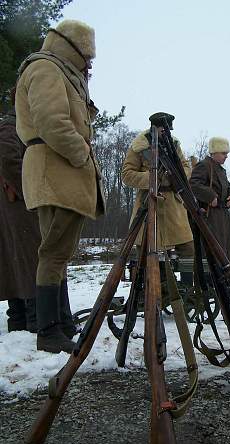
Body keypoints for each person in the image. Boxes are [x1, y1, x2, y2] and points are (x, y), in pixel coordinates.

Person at [15, 20, 105, 353]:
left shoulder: (57, 73)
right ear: (74, 49)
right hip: (57, 168)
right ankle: (49, 331)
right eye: (86, 56)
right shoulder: (46, 68)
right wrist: (81, 153)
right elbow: (52, 121)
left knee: (59, 251)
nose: (89, 64)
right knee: (53, 252)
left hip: (59, 170)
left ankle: (61, 321)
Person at [122, 112, 194, 265]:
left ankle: (186, 288)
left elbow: (186, 167)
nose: (166, 133)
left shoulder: (174, 144)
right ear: (155, 128)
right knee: (146, 252)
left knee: (188, 249)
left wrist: (175, 176)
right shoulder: (139, 146)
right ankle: (149, 287)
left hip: (174, 206)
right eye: (163, 130)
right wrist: (153, 177)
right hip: (148, 204)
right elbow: (127, 175)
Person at [0, 88, 41, 333]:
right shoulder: (11, 126)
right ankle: (32, 320)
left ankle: (20, 320)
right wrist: (29, 193)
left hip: (15, 205)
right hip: (17, 204)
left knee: (19, 261)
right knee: (30, 261)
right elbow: (8, 158)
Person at [189, 137, 230, 265]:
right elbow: (193, 184)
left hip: (223, 215)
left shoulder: (220, 169)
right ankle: (213, 280)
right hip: (210, 216)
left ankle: (226, 279)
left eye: (227, 153)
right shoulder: (204, 165)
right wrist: (210, 197)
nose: (226, 156)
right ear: (214, 152)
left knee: (225, 251)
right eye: (223, 153)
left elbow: (229, 186)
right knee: (214, 252)